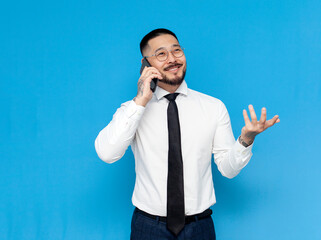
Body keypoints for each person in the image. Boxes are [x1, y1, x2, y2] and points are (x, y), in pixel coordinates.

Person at [95, 28, 280, 240]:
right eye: (161, 54)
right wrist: (140, 101)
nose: (173, 59)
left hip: (199, 227)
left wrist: (246, 140)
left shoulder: (213, 107)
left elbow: (228, 170)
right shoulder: (132, 110)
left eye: (177, 51)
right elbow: (107, 153)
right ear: (145, 64)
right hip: (148, 228)